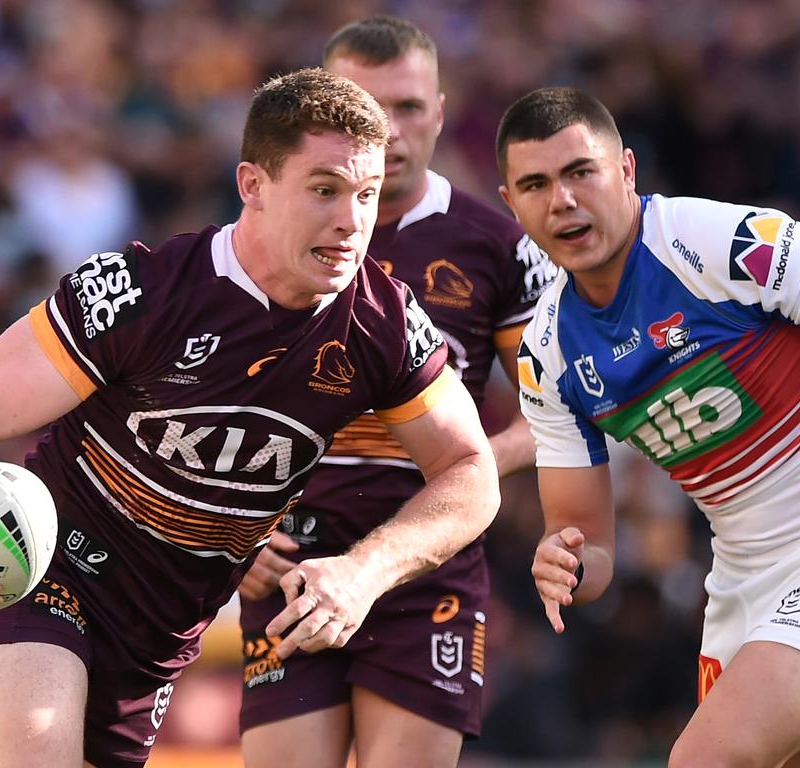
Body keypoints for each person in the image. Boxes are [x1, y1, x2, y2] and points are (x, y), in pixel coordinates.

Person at [0, 68, 501, 768]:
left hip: (159, 642)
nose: (352, 221)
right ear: (253, 185)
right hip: (40, 572)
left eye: (368, 194)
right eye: (324, 190)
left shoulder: (384, 323)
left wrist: (363, 572)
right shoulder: (142, 292)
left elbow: (472, 473)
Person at [237, 17, 554, 768]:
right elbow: (206, 404)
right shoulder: (270, 233)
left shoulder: (496, 245)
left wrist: (467, 469)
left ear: (440, 111)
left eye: (408, 107)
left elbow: (560, 408)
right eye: (364, 104)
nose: (389, 128)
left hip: (426, 563)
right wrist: (230, 538)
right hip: (289, 560)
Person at [500, 85, 800, 768]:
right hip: (743, 575)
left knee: (703, 759)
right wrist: (564, 563)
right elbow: (590, 545)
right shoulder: (546, 355)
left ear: (625, 170)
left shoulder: (714, 242)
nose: (561, 200)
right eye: (535, 184)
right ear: (512, 203)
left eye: (579, 173)